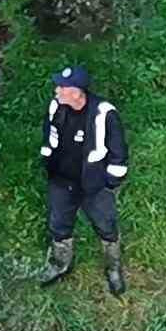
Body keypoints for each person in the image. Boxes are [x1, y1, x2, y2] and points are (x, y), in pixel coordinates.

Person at [40, 63, 129, 296]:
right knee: (59, 224)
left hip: (93, 185)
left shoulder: (104, 113)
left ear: (76, 92)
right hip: (62, 181)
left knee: (106, 226)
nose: (57, 91)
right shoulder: (56, 107)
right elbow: (48, 137)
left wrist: (108, 183)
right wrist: (48, 163)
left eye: (62, 87)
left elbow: (118, 154)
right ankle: (60, 264)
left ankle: (113, 268)